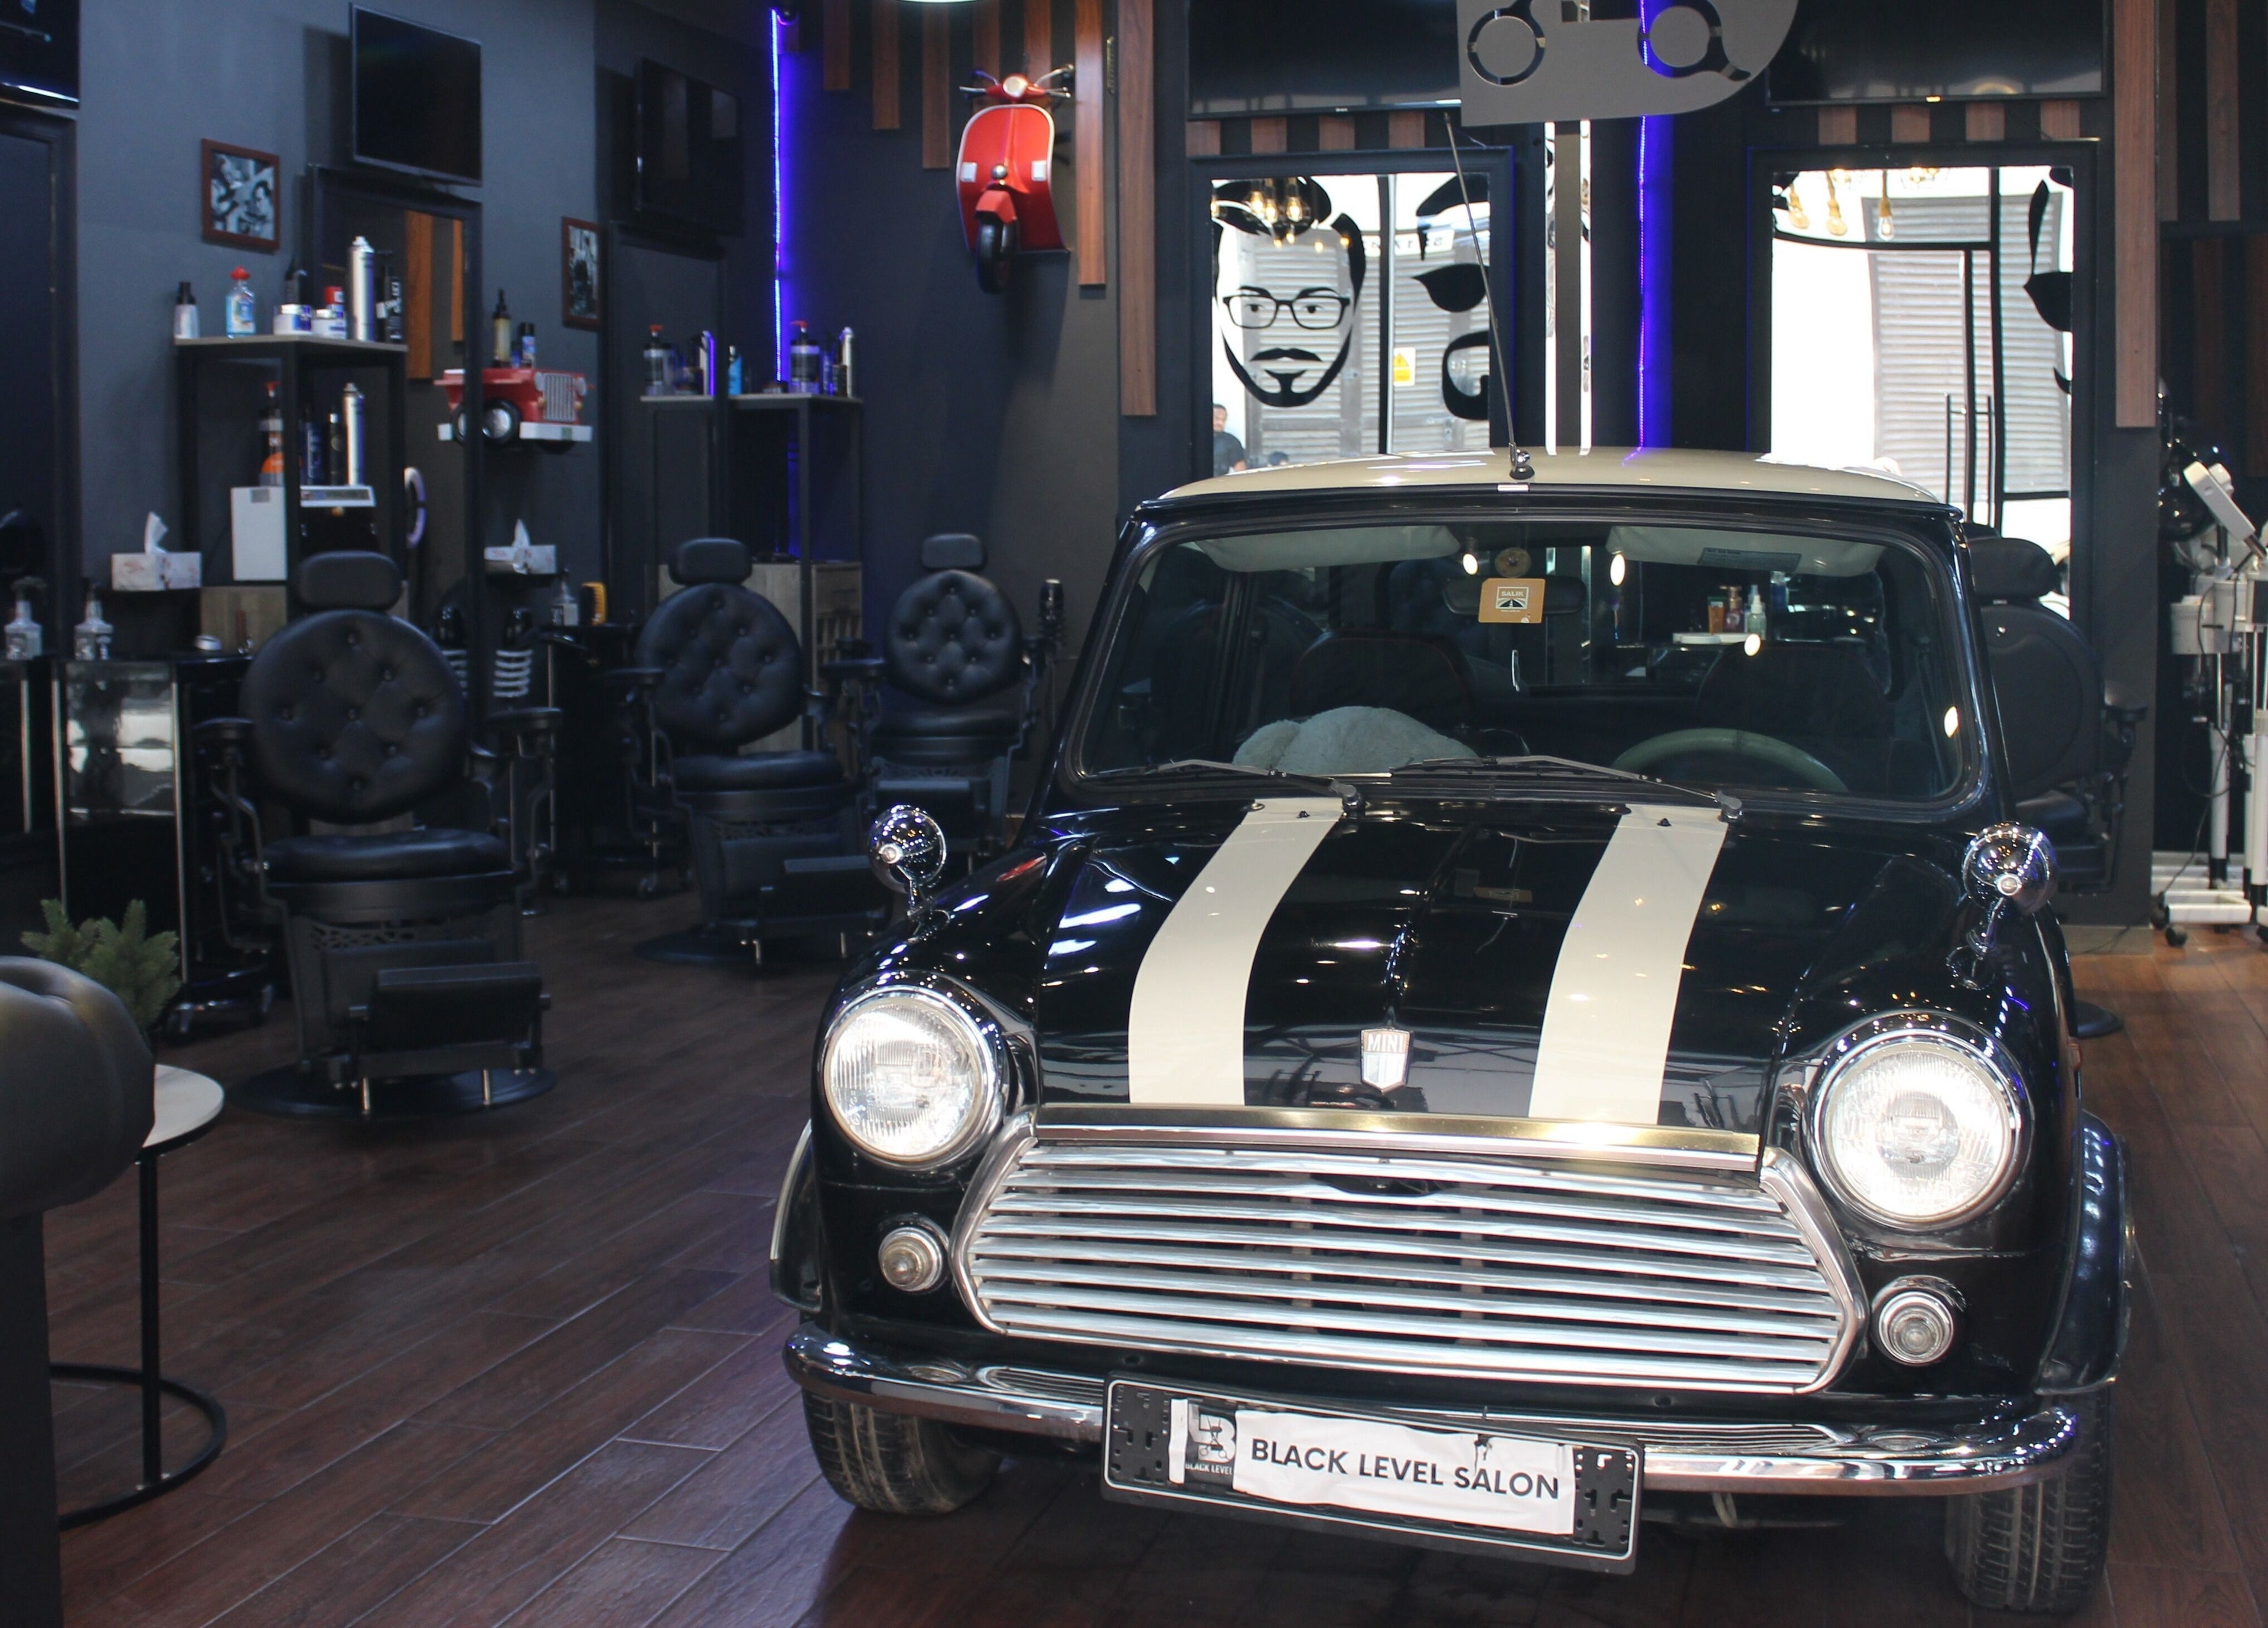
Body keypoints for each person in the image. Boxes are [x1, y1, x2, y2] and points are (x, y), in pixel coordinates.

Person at [1212, 403, 1247, 477]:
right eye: (1217, 418)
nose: (1220, 423)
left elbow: (1241, 472)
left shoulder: (1231, 442)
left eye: (1223, 420)